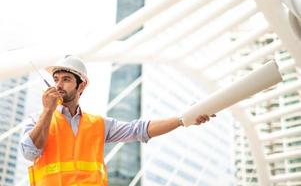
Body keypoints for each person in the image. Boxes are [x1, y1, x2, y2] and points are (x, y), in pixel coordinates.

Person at [20, 55, 215, 186]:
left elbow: (139, 130)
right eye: (56, 79)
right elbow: (29, 152)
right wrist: (47, 111)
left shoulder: (98, 125)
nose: (58, 85)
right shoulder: (38, 119)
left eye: (66, 79)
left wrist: (183, 118)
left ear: (81, 86)